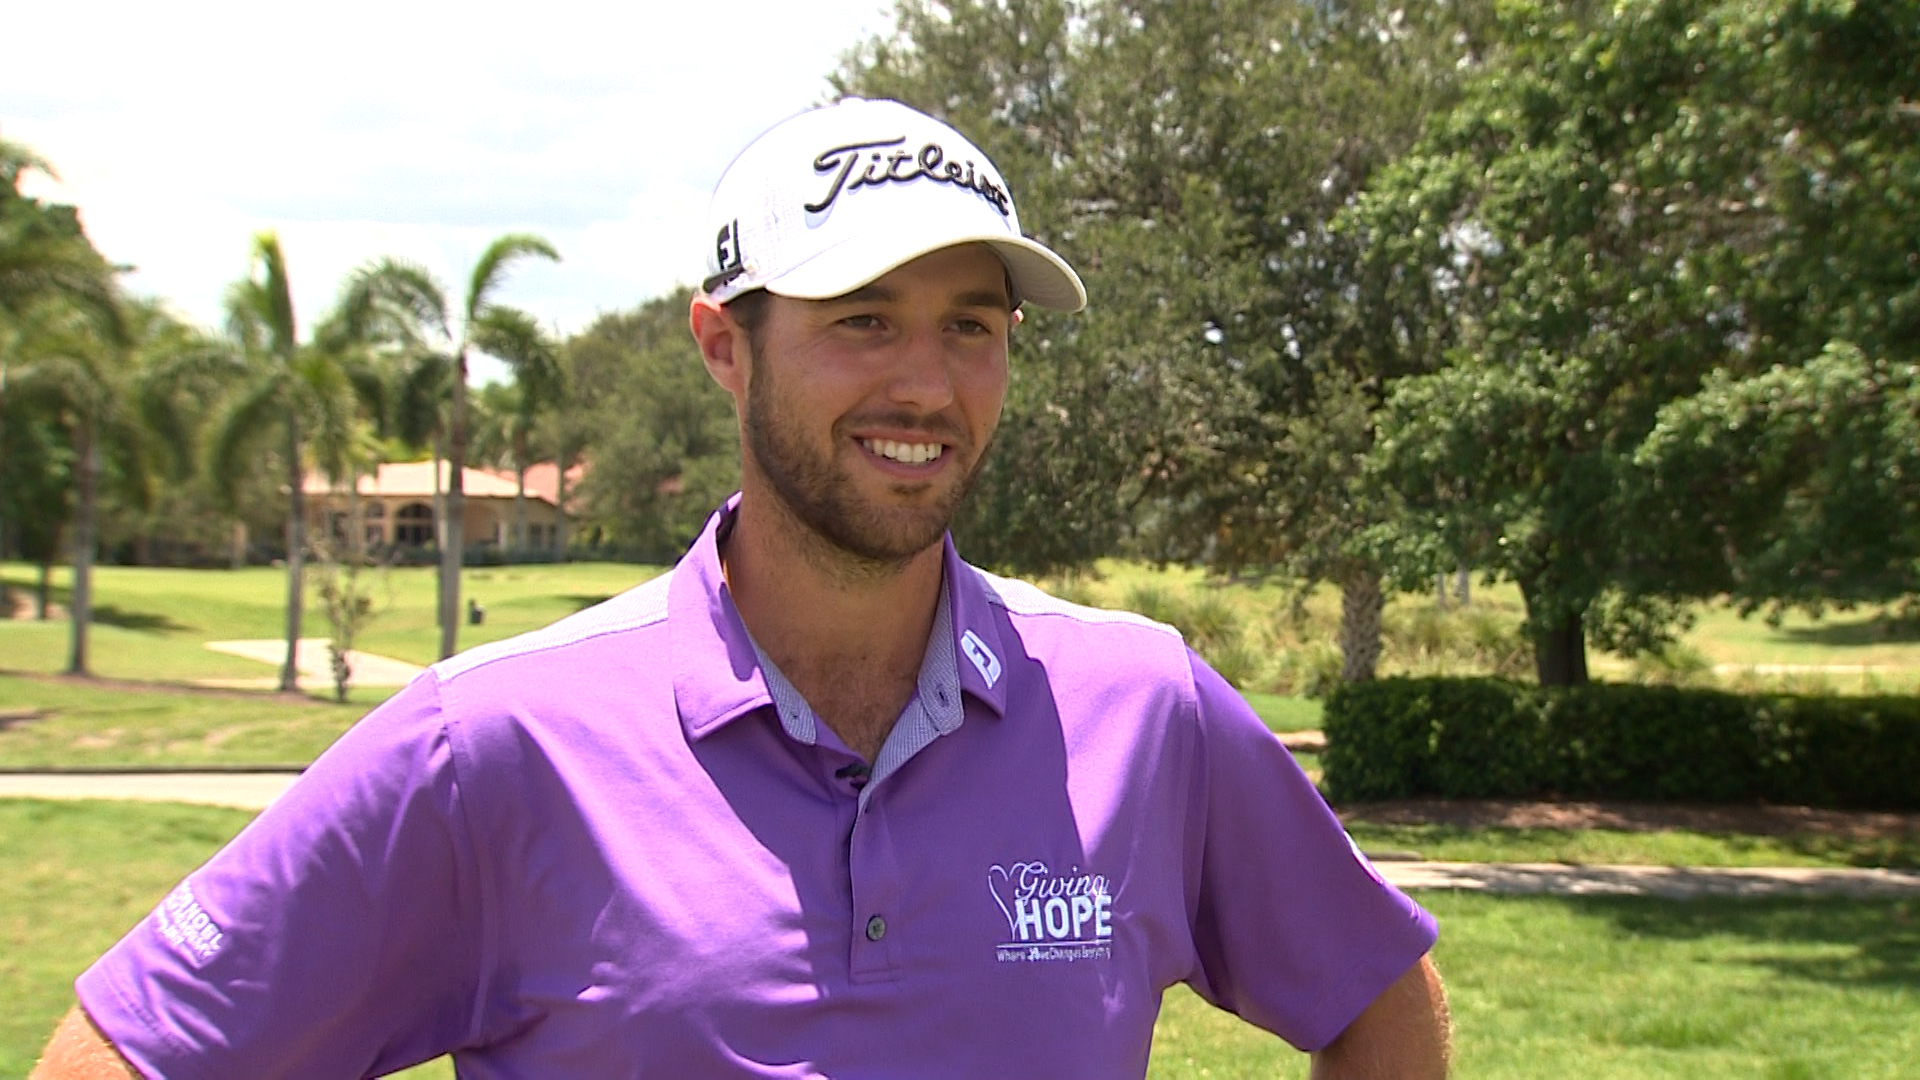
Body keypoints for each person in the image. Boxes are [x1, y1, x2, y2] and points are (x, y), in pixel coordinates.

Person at [34, 97, 1449, 1079]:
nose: (927, 383)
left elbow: (1381, 997)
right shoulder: (493, 747)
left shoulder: (1145, 706)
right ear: (725, 344)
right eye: (862, 322)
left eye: (974, 326)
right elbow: (134, 1056)